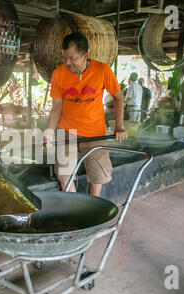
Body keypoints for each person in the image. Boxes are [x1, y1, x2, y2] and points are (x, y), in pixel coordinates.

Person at [45, 32, 127, 197]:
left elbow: (119, 98)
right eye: (65, 57)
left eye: (72, 58)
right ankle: (74, 209)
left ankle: (91, 209)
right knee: (64, 175)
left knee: (97, 176)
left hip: (95, 133)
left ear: (85, 55)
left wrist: (119, 126)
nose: (67, 63)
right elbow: (56, 108)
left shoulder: (102, 70)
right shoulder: (59, 73)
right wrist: (49, 131)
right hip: (67, 132)